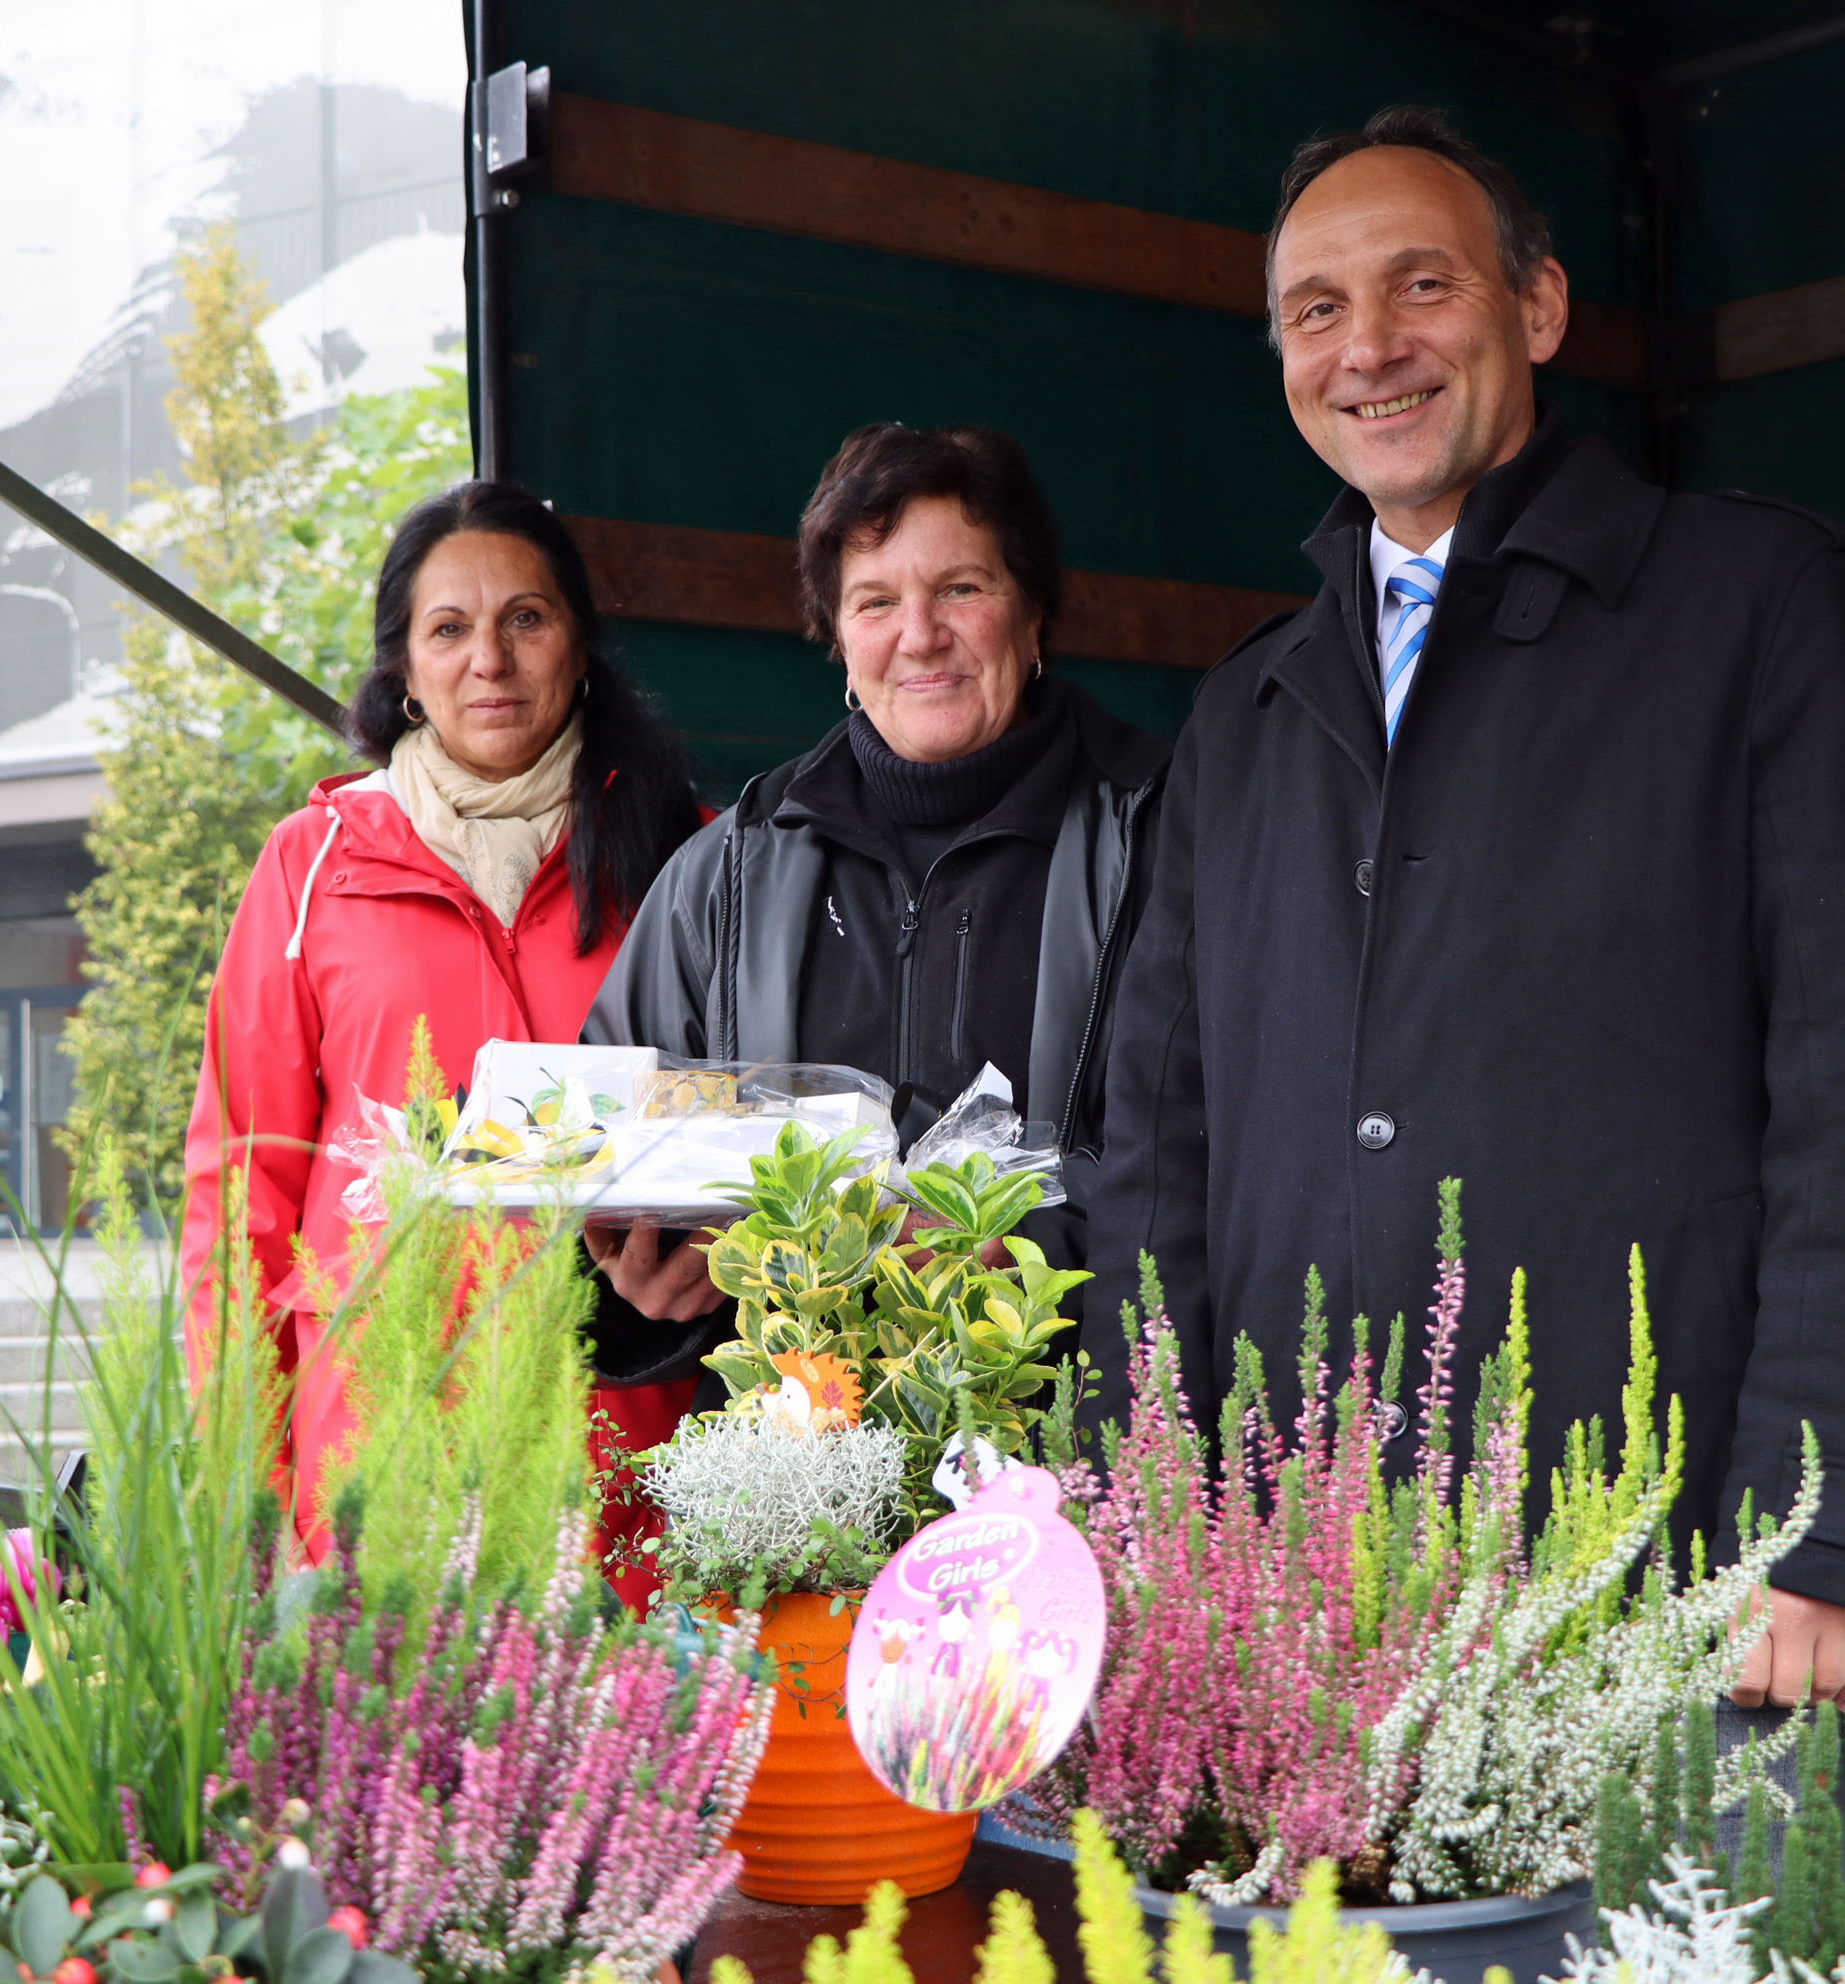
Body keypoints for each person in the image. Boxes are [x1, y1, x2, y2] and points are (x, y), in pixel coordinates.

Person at [1083, 107, 1845, 1711]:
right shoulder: (1246, 713)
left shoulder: (1759, 609)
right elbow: (1161, 1142)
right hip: (1303, 1579)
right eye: (1315, 311)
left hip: (1660, 1559)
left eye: (1422, 287)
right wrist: (1141, 1494)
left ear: (1541, 310)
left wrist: (1827, 1522)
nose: (1368, 348)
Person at [181, 481, 706, 1565]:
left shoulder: (693, 856)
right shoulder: (313, 864)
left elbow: (756, 1136)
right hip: (378, 1448)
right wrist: (243, 1473)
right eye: (449, 628)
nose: (490, 660)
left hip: (641, 1453)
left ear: (578, 643)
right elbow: (239, 1189)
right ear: (406, 670)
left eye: (526, 618)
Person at [582, 423, 1172, 1376]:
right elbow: (607, 1136)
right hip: (799, 1461)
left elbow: (1235, 1148)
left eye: (962, 589)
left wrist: (1024, 1250)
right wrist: (644, 1278)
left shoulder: (1169, 841)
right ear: (837, 637)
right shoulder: (725, 874)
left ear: (1033, 617)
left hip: (1082, 1453)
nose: (920, 635)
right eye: (875, 601)